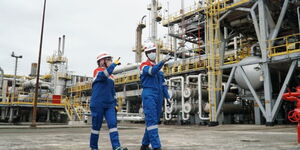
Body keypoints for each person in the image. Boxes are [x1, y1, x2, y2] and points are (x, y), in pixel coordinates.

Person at [90, 52, 128, 150]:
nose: (110, 61)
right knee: (96, 127)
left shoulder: (111, 77)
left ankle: (116, 147)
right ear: (102, 61)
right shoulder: (97, 72)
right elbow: (104, 75)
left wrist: (115, 104)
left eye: (111, 60)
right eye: (108, 60)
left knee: (113, 125)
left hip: (110, 104)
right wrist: (114, 65)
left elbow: (112, 91)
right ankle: (94, 147)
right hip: (98, 103)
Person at [139, 41, 172, 150]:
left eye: (153, 51)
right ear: (146, 54)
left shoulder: (159, 69)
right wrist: (162, 61)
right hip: (149, 94)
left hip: (159, 95)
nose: (152, 53)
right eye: (150, 51)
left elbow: (163, 84)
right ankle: (156, 147)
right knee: (152, 121)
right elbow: (152, 71)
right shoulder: (143, 66)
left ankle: (144, 145)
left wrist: (167, 97)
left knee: (153, 121)